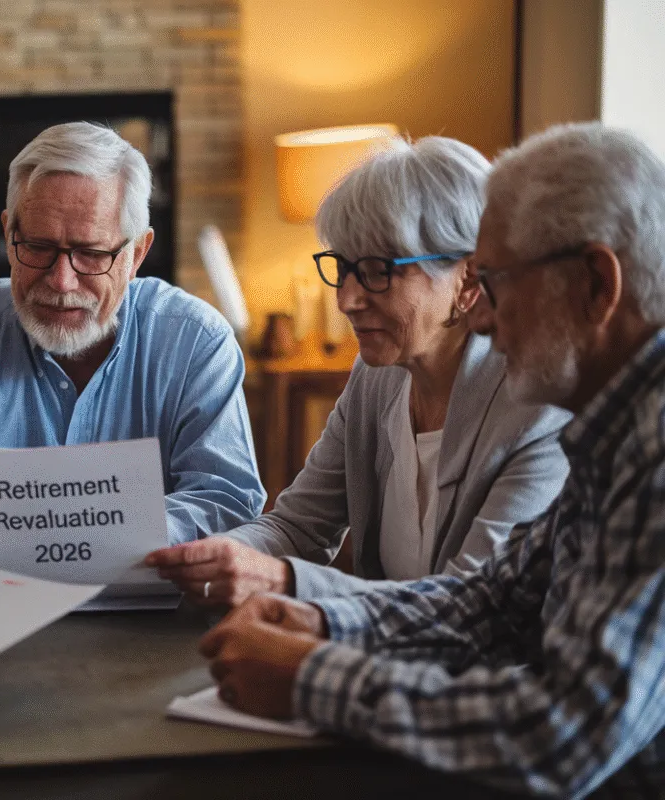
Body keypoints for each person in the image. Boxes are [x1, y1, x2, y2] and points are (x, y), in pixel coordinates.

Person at [199, 123, 665, 798]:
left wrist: (311, 678)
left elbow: (563, 733)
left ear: (594, 284)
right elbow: (494, 598)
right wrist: (325, 620)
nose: (480, 318)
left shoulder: (654, 451)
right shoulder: (616, 431)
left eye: (497, 281)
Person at [147, 136, 571, 604]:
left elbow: (473, 604)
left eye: (377, 270)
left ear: (468, 277)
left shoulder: (538, 411)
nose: (347, 299)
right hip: (379, 657)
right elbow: (297, 527)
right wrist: (196, 556)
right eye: (343, 267)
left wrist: (283, 582)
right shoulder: (378, 377)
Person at [0, 121, 265, 568]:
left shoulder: (196, 340)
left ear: (136, 254)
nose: (61, 282)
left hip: (154, 605)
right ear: (8, 237)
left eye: (92, 254)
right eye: (39, 248)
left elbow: (228, 500)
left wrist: (86, 539)